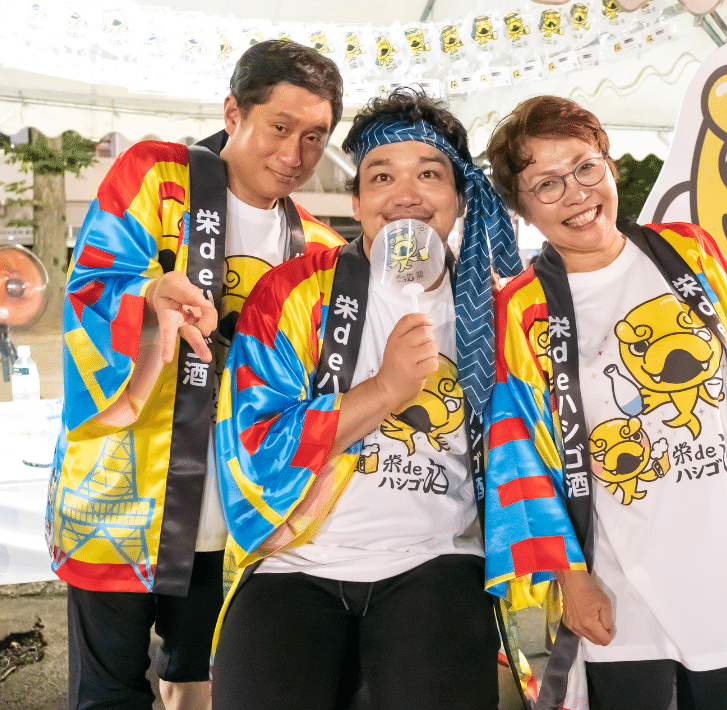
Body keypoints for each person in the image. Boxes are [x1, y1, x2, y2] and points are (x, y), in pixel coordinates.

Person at [483, 96, 727, 710]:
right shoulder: (522, 307)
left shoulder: (690, 253)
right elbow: (519, 456)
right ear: (523, 207)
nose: (576, 193)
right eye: (547, 183)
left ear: (610, 167)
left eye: (586, 167)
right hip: (618, 576)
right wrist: (571, 575)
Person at [45, 40, 345, 710]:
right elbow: (91, 288)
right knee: (107, 693)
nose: (295, 154)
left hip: (236, 510)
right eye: (279, 127)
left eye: (315, 137)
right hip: (124, 490)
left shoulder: (323, 252)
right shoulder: (157, 179)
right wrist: (151, 298)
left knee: (204, 687)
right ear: (234, 112)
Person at [211, 88, 522, 710]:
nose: (405, 195)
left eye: (429, 174)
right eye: (382, 177)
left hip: (437, 557)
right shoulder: (293, 291)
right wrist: (383, 391)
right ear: (357, 202)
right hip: (294, 559)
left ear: (461, 197)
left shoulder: (498, 308)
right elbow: (251, 449)